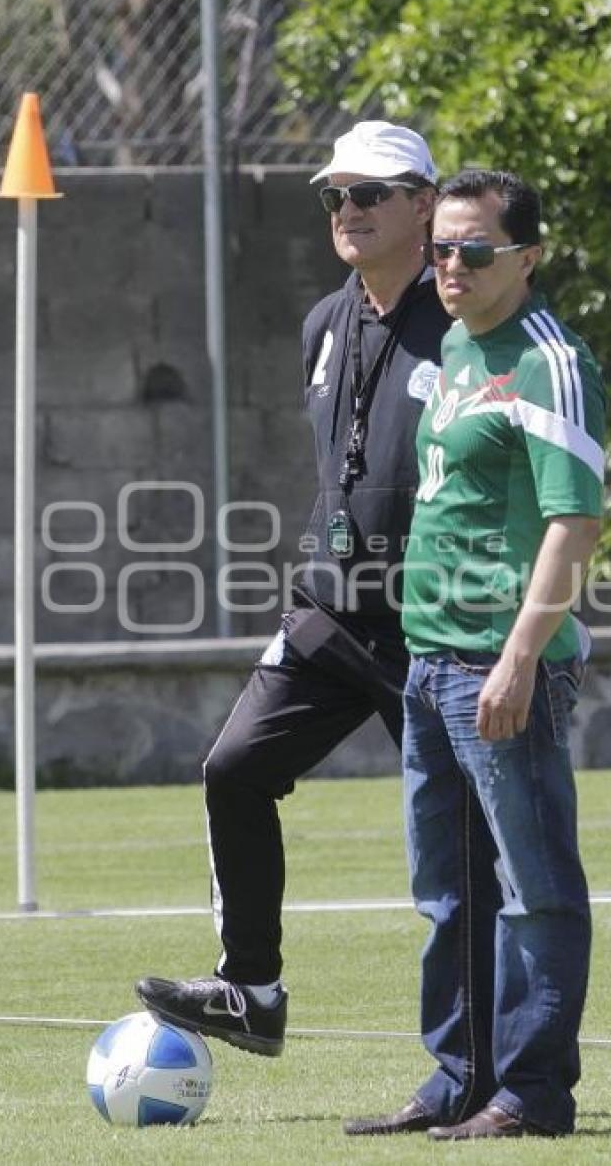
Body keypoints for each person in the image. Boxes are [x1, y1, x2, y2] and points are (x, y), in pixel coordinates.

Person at [136, 122, 451, 1057]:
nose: (347, 211)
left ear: (424, 204)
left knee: (467, 841)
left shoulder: (466, 317)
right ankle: (250, 991)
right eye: (335, 197)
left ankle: (492, 1056)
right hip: (327, 608)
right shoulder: (323, 321)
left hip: (432, 622)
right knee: (234, 770)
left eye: (370, 195)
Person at [345, 167, 605, 1139]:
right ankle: (459, 1079)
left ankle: (532, 1097)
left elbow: (571, 526)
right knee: (448, 892)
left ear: (526, 257)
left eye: (474, 250)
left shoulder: (550, 361)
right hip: (427, 664)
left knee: (535, 891)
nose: (450, 265)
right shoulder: (455, 343)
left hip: (500, 672)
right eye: (442, 247)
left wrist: (519, 657)